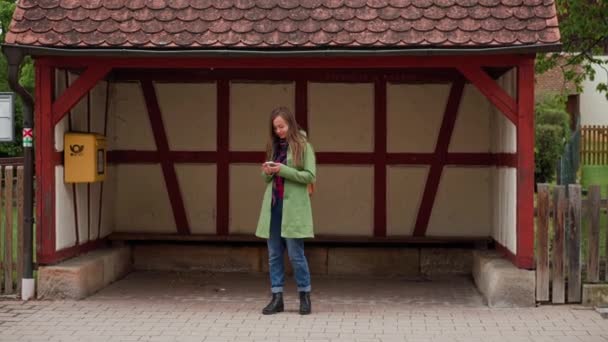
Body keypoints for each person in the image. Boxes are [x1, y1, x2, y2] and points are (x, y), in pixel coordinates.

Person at [255, 106, 316, 315]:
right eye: (276, 128)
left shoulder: (303, 145)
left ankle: (304, 296)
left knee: (295, 253)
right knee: (273, 254)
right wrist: (267, 171)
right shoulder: (274, 146)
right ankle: (277, 297)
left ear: (290, 124)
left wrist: (284, 170)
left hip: (294, 207)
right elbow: (267, 179)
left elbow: (309, 175)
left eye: (282, 126)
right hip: (274, 205)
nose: (279, 131)